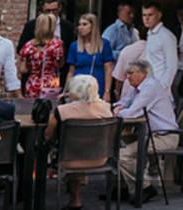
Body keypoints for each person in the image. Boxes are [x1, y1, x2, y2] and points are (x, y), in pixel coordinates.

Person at [46, 74, 113, 210]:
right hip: (100, 158)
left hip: (70, 159)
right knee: (82, 147)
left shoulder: (63, 111)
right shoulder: (106, 109)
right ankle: (75, 196)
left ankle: (74, 198)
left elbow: (48, 136)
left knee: (71, 149)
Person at [112, 58, 176, 200]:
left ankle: (145, 187)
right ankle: (123, 188)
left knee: (123, 154)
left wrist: (117, 112)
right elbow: (124, 102)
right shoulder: (138, 88)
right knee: (114, 146)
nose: (127, 77)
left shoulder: (150, 87)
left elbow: (133, 112)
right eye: (126, 73)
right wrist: (118, 107)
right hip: (148, 135)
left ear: (143, 73)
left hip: (164, 137)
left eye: (130, 73)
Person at [67, 12, 115, 101]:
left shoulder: (104, 44)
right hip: (78, 86)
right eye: (79, 24)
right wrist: (67, 90)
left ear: (93, 26)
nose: (80, 27)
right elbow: (71, 71)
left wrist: (107, 91)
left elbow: (108, 69)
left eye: (84, 24)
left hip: (97, 84)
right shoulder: (74, 46)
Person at [18, 12, 64, 99]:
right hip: (50, 83)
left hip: (33, 82)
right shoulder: (56, 45)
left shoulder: (28, 45)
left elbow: (23, 69)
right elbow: (60, 64)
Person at [141, 2, 178, 87]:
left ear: (159, 15)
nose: (146, 18)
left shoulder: (166, 36)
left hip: (159, 86)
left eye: (150, 15)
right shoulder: (150, 34)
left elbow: (171, 66)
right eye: (144, 15)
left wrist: (162, 87)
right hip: (147, 84)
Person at [112, 38, 147, 104]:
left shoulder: (127, 50)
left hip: (128, 91)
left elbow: (119, 77)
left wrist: (117, 94)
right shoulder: (158, 52)